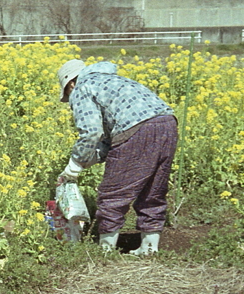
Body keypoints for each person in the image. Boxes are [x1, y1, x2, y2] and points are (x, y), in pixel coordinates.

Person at [56, 58, 178, 255]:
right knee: (152, 191)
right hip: (168, 124)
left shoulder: (82, 87)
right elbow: (111, 137)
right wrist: (92, 158)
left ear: (71, 83)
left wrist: (74, 166)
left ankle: (105, 252)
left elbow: (91, 132)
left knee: (113, 193)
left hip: (137, 129)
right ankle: (149, 249)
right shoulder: (114, 81)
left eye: (68, 93)